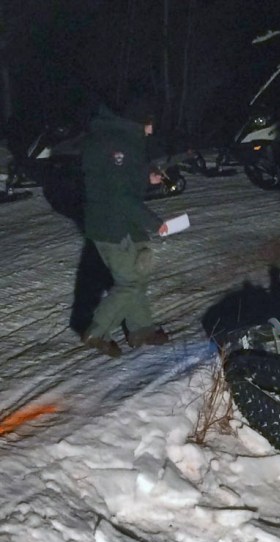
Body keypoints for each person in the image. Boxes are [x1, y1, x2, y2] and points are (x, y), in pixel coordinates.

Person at [79, 99, 170, 358]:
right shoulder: (121, 143)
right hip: (113, 227)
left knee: (136, 277)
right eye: (150, 124)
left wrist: (146, 177)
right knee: (128, 283)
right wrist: (155, 223)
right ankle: (97, 332)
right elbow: (119, 197)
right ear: (140, 120)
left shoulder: (112, 136)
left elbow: (114, 180)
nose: (151, 131)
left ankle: (141, 329)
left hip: (112, 223)